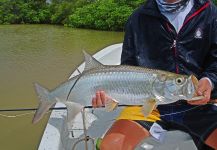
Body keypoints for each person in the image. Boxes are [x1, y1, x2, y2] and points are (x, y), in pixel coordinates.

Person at [92, 0, 217, 149]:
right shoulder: (138, 17)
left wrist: (209, 81)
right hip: (149, 104)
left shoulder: (209, 12)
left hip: (198, 105)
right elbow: (128, 67)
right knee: (111, 146)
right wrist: (112, 95)